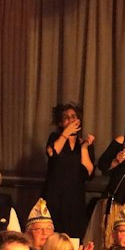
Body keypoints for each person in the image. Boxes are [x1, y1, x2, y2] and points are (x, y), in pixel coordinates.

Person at [44, 103, 95, 241]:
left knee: (73, 236)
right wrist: (66, 132)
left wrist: (84, 148)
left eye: (74, 117)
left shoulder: (84, 143)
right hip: (54, 195)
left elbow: (89, 174)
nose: (71, 120)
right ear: (60, 122)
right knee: (53, 236)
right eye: (66, 118)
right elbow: (53, 153)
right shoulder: (55, 137)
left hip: (75, 197)